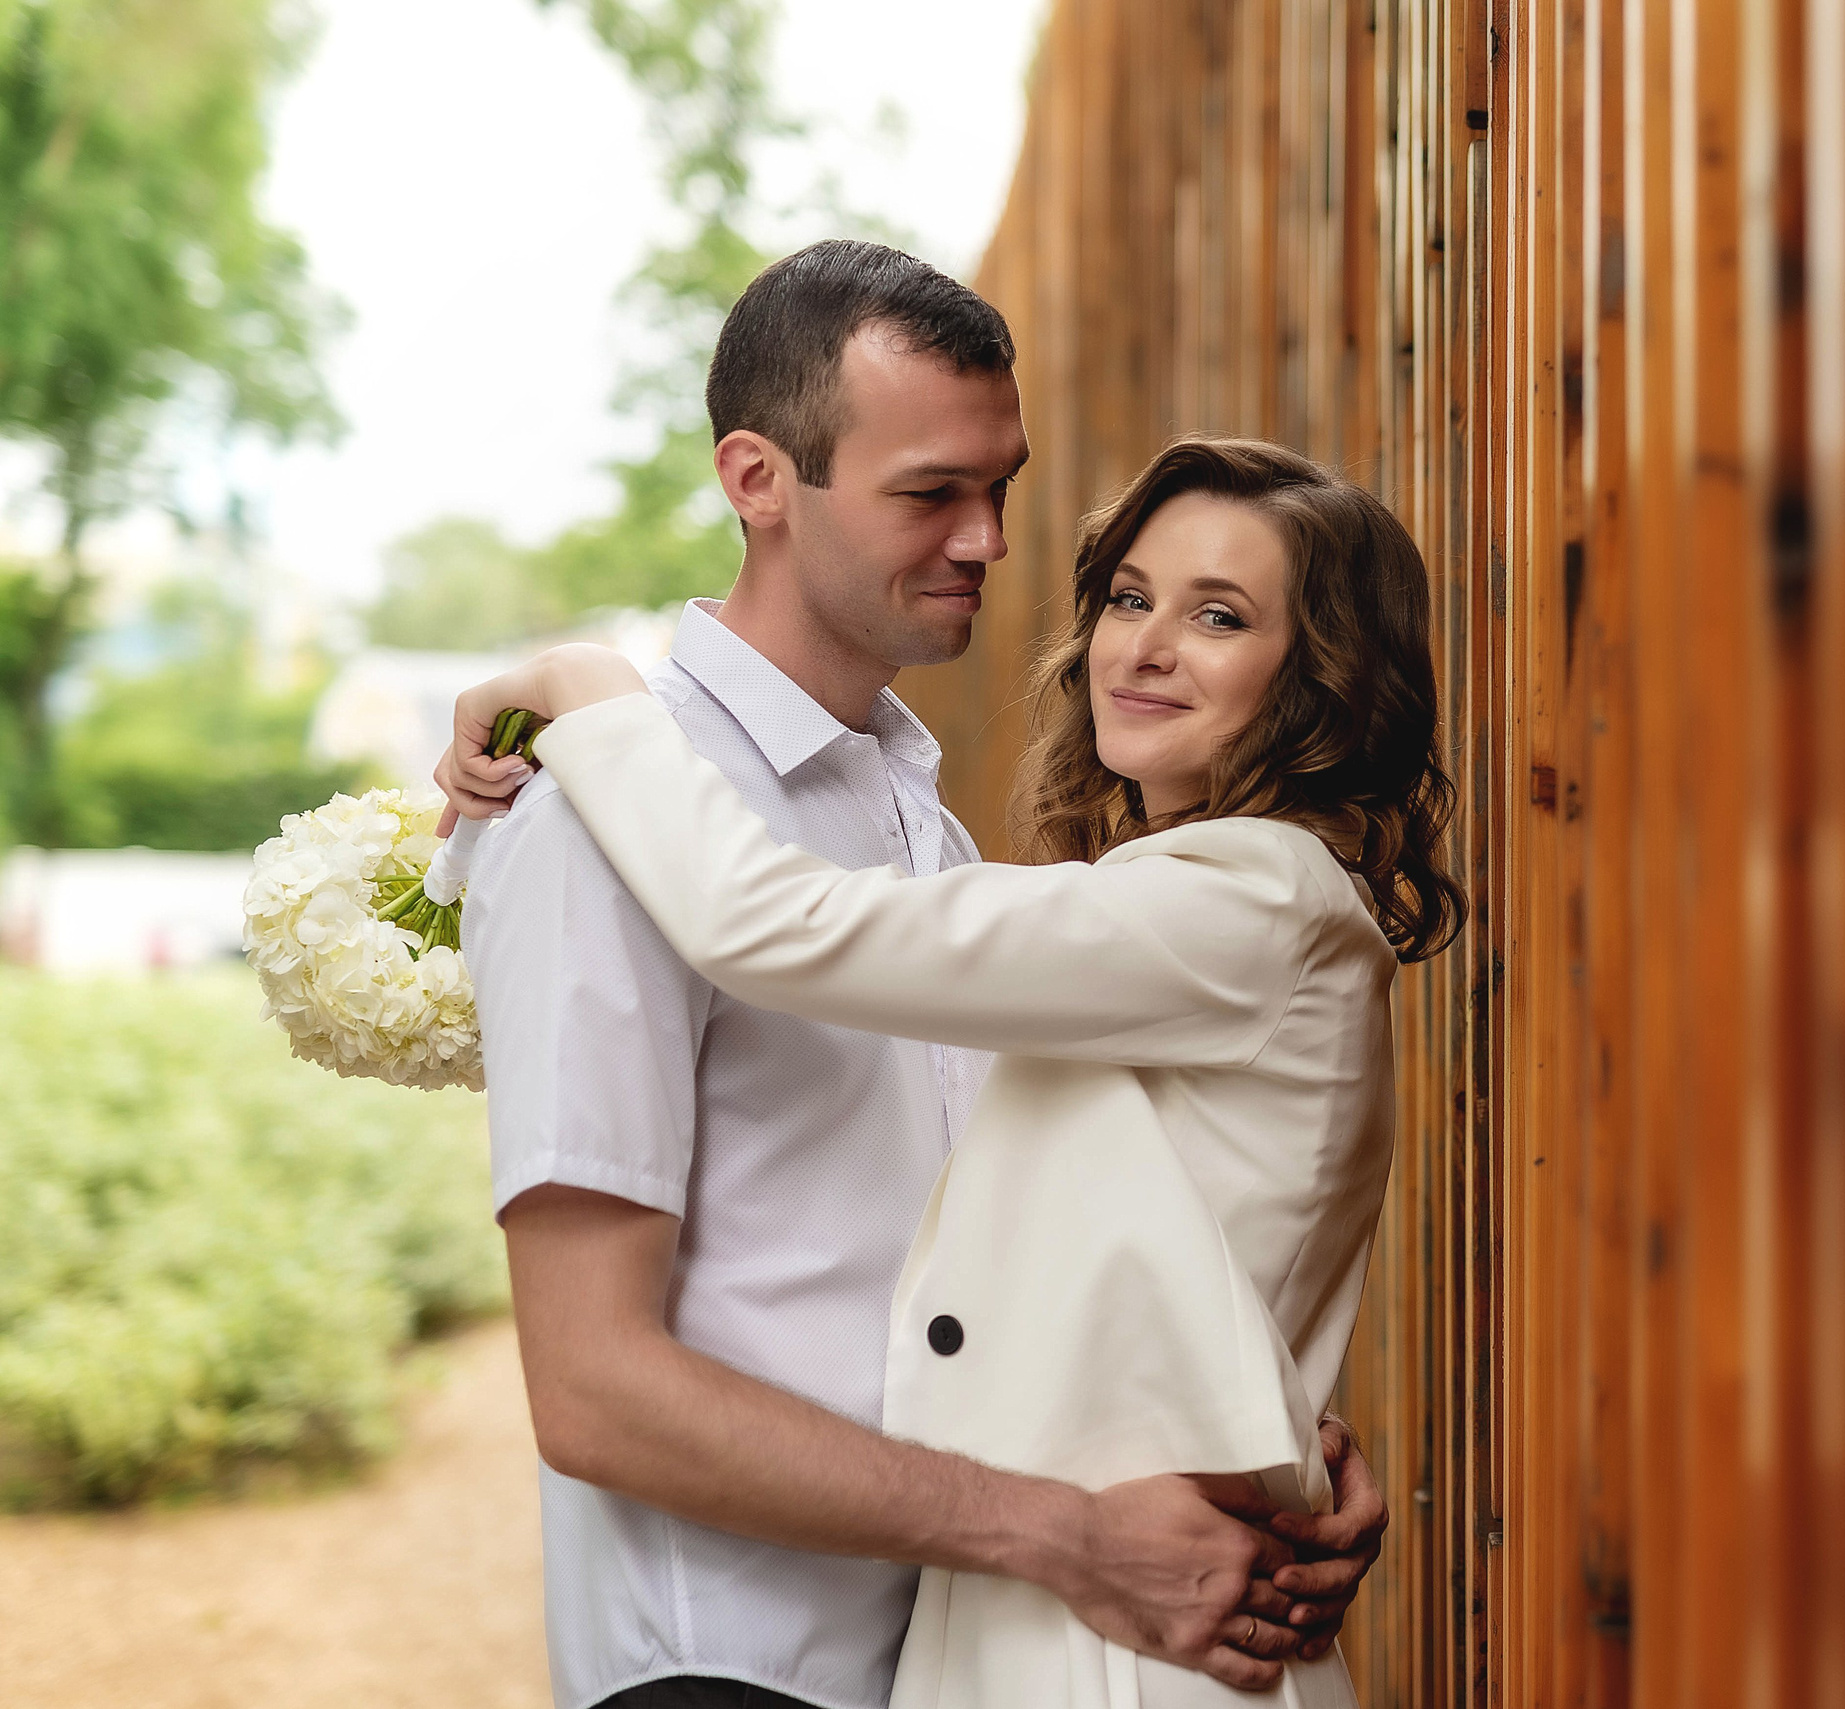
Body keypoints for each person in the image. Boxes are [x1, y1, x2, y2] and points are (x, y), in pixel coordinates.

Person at [446, 243, 1386, 1709]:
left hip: (994, 1639)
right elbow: (594, 1389)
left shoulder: (937, 840)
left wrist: (1264, 1441)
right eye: (931, 492)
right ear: (758, 479)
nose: (991, 541)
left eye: (1000, 488)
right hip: (744, 1663)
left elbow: (1079, 1245)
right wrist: (585, 692)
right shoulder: (597, 819)